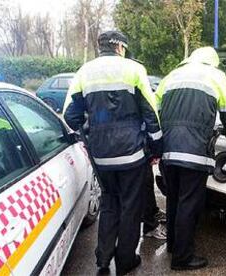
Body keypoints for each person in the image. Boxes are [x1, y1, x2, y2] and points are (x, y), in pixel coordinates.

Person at [63, 30, 162, 275]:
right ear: (120, 47)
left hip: (101, 155)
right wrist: (156, 146)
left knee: (109, 203)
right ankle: (126, 260)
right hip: (131, 155)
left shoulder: (84, 72)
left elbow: (70, 116)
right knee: (130, 206)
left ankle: (103, 261)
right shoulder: (134, 70)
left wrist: (94, 129)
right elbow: (151, 113)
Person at [156, 46, 226, 271]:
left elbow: (156, 110)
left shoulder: (171, 76)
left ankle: (174, 245)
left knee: (173, 199)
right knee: (189, 204)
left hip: (168, 150)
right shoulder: (216, 76)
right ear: (212, 61)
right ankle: (183, 258)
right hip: (194, 151)